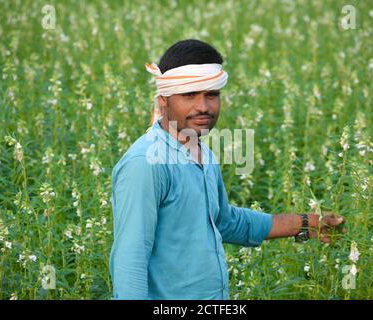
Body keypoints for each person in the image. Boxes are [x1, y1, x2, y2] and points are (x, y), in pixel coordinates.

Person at [109, 39, 345, 300]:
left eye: (212, 94)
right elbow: (130, 259)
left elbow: (224, 221)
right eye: (189, 94)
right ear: (164, 100)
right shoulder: (145, 163)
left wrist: (306, 223)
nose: (203, 106)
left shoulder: (202, 152)